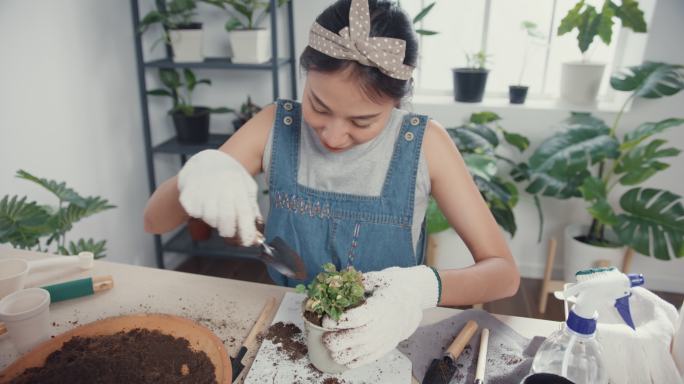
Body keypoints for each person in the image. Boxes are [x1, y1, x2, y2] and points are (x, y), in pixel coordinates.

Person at [144, 0, 519, 369]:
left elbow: (503, 274)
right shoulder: (276, 125)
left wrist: (419, 288)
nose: (334, 136)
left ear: (397, 102)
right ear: (306, 73)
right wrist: (203, 171)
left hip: (385, 338)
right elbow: (154, 221)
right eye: (319, 107)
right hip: (288, 329)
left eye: (362, 121)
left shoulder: (425, 145)